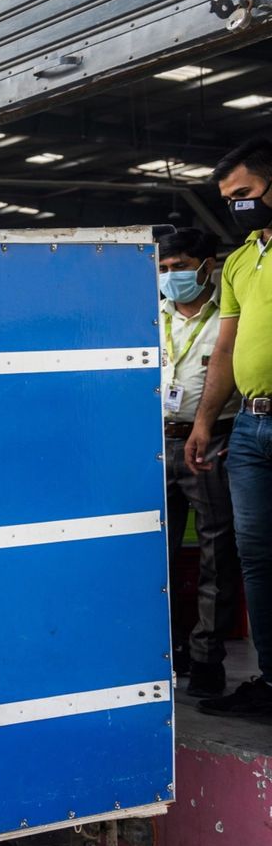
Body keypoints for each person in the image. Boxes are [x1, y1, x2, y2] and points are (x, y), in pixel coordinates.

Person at [185, 135, 272, 719]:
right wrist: (204, 420)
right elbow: (224, 349)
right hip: (249, 430)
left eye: (244, 193)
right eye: (229, 198)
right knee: (258, 557)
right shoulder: (242, 260)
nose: (237, 205)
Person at [157, 227, 240, 699]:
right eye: (164, 270)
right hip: (155, 443)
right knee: (156, 555)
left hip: (212, 441)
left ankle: (208, 658)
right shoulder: (150, 314)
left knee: (216, 554)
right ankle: (168, 652)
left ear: (208, 266)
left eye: (182, 267)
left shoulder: (229, 316)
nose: (172, 278)